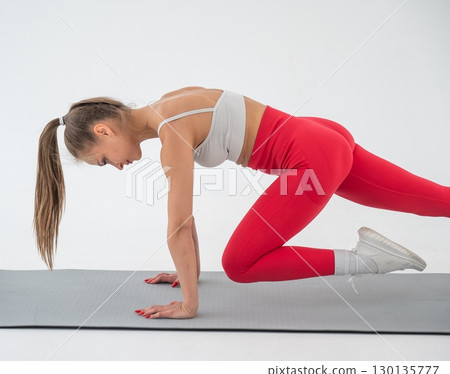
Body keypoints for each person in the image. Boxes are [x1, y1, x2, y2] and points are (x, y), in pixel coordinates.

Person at [34, 86, 449, 320]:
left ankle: (367, 258)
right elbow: (186, 225)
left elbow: (179, 223)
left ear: (105, 131)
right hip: (321, 135)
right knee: (435, 200)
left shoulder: (172, 135)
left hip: (310, 157)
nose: (116, 167)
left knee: (240, 265)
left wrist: (190, 304)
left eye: (103, 160)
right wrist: (187, 271)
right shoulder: (168, 104)